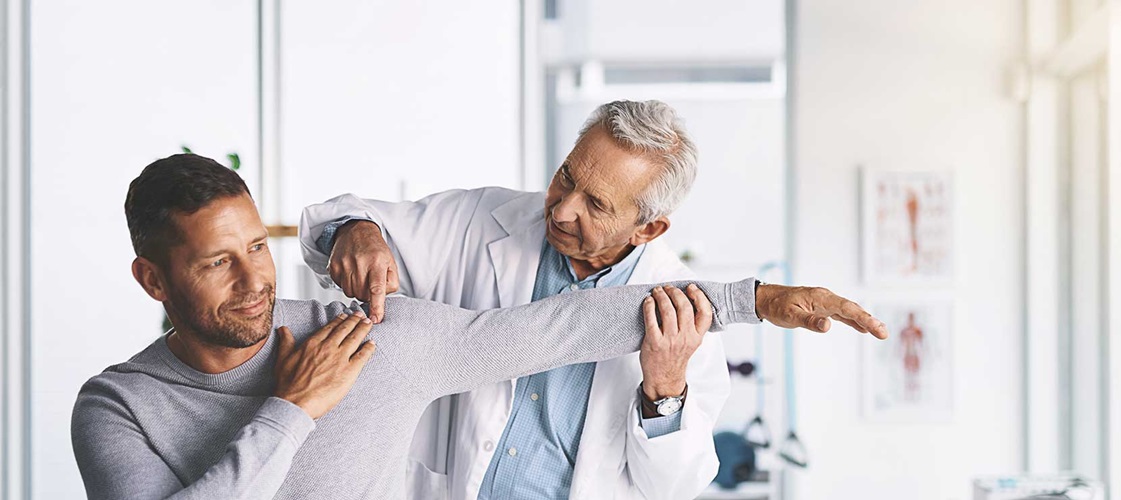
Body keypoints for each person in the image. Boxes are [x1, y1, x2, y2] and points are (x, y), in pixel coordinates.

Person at [71, 154, 887, 500]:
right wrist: (292, 410)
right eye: (218, 263)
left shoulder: (365, 339)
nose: (255, 281)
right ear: (153, 279)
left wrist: (756, 300)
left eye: (259, 247)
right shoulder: (117, 406)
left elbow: (558, 327)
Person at [302, 100, 834, 499]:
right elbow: (338, 217)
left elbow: (673, 485)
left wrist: (666, 388)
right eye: (566, 177)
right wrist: (357, 231)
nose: (560, 210)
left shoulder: (681, 312)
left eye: (595, 204)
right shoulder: (480, 220)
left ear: (648, 228)